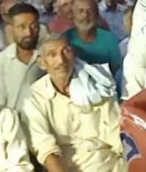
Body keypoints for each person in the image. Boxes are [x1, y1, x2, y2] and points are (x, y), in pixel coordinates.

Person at [21, 35, 125, 172]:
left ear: (74, 54)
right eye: (52, 55)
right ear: (42, 63)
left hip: (110, 164)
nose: (61, 60)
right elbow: (46, 151)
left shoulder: (96, 86)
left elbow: (117, 134)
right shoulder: (34, 98)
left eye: (66, 51)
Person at [0, 3, 45, 112]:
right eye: (22, 27)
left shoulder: (49, 57)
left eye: (33, 26)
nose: (28, 32)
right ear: (12, 29)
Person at [63, 0, 121, 77]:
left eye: (90, 11)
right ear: (72, 14)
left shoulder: (109, 38)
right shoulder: (65, 39)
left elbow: (116, 68)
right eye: (80, 11)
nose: (85, 15)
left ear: (97, 14)